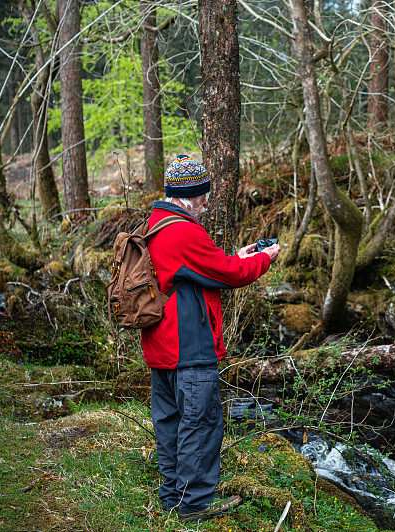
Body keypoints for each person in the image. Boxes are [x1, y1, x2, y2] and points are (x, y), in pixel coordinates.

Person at [141, 155, 280, 521]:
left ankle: (174, 495)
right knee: (200, 423)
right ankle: (195, 503)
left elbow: (195, 270)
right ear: (188, 196)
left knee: (170, 421)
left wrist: (234, 256)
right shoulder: (184, 231)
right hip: (190, 346)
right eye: (202, 196)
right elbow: (230, 274)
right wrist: (264, 258)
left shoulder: (154, 224)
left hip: (160, 345)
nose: (206, 202)